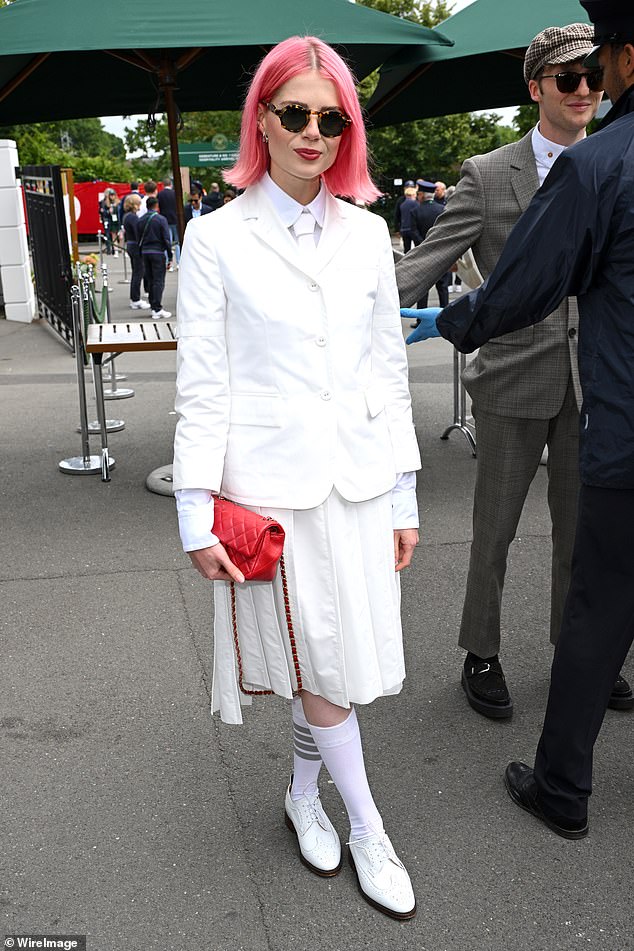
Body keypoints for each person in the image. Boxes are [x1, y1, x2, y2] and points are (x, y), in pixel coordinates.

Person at [172, 35, 421, 919]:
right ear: (263, 120)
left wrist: (404, 491)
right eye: (296, 113)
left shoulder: (368, 234)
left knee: (340, 666)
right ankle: (368, 825)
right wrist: (195, 512)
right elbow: (204, 385)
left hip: (356, 482)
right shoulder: (214, 241)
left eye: (332, 116)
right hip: (270, 492)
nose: (313, 132)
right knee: (321, 662)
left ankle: (302, 793)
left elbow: (385, 372)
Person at [409, 0, 634, 838]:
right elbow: (434, 257)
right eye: (570, 80)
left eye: (592, 76)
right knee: (495, 532)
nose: (586, 90)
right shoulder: (488, 170)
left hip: (594, 385)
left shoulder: (612, 158)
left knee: (585, 541)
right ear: (538, 87)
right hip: (510, 375)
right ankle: (482, 652)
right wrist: (356, 301)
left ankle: (585, 664)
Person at [410, 180, 450, 309]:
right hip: (441, 252)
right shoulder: (443, 209)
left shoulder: (415, 211)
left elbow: (413, 232)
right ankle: (445, 316)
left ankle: (420, 318)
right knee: (443, 287)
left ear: (421, 195)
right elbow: (446, 230)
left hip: (423, 254)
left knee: (422, 288)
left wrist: (423, 245)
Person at [137, 195, 172, 319]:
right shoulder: (161, 219)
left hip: (145, 252)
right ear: (156, 206)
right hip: (158, 252)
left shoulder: (140, 220)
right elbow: (166, 239)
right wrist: (170, 255)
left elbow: (138, 238)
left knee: (150, 279)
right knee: (158, 281)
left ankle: (153, 306)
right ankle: (157, 308)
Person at [122, 193, 150, 311]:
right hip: (135, 246)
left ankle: (135, 298)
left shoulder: (127, 216)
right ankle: (135, 299)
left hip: (130, 245)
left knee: (136, 272)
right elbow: (138, 232)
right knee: (138, 273)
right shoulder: (133, 217)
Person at [158, 177, 180, 267]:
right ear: (170, 184)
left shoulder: (160, 194)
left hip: (165, 219)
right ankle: (179, 262)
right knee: (177, 241)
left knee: (168, 241)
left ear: (163, 184)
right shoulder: (175, 193)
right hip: (175, 218)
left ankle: (168, 262)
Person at [398, 185, 420, 252]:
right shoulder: (416, 204)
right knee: (417, 249)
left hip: (404, 229)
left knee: (406, 249)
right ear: (413, 194)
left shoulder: (402, 204)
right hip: (413, 229)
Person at [98, 187, 119, 255]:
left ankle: (114, 249)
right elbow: (101, 211)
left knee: (113, 234)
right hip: (107, 219)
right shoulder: (103, 202)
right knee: (107, 234)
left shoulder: (116, 202)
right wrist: (107, 212)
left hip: (113, 220)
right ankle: (109, 249)